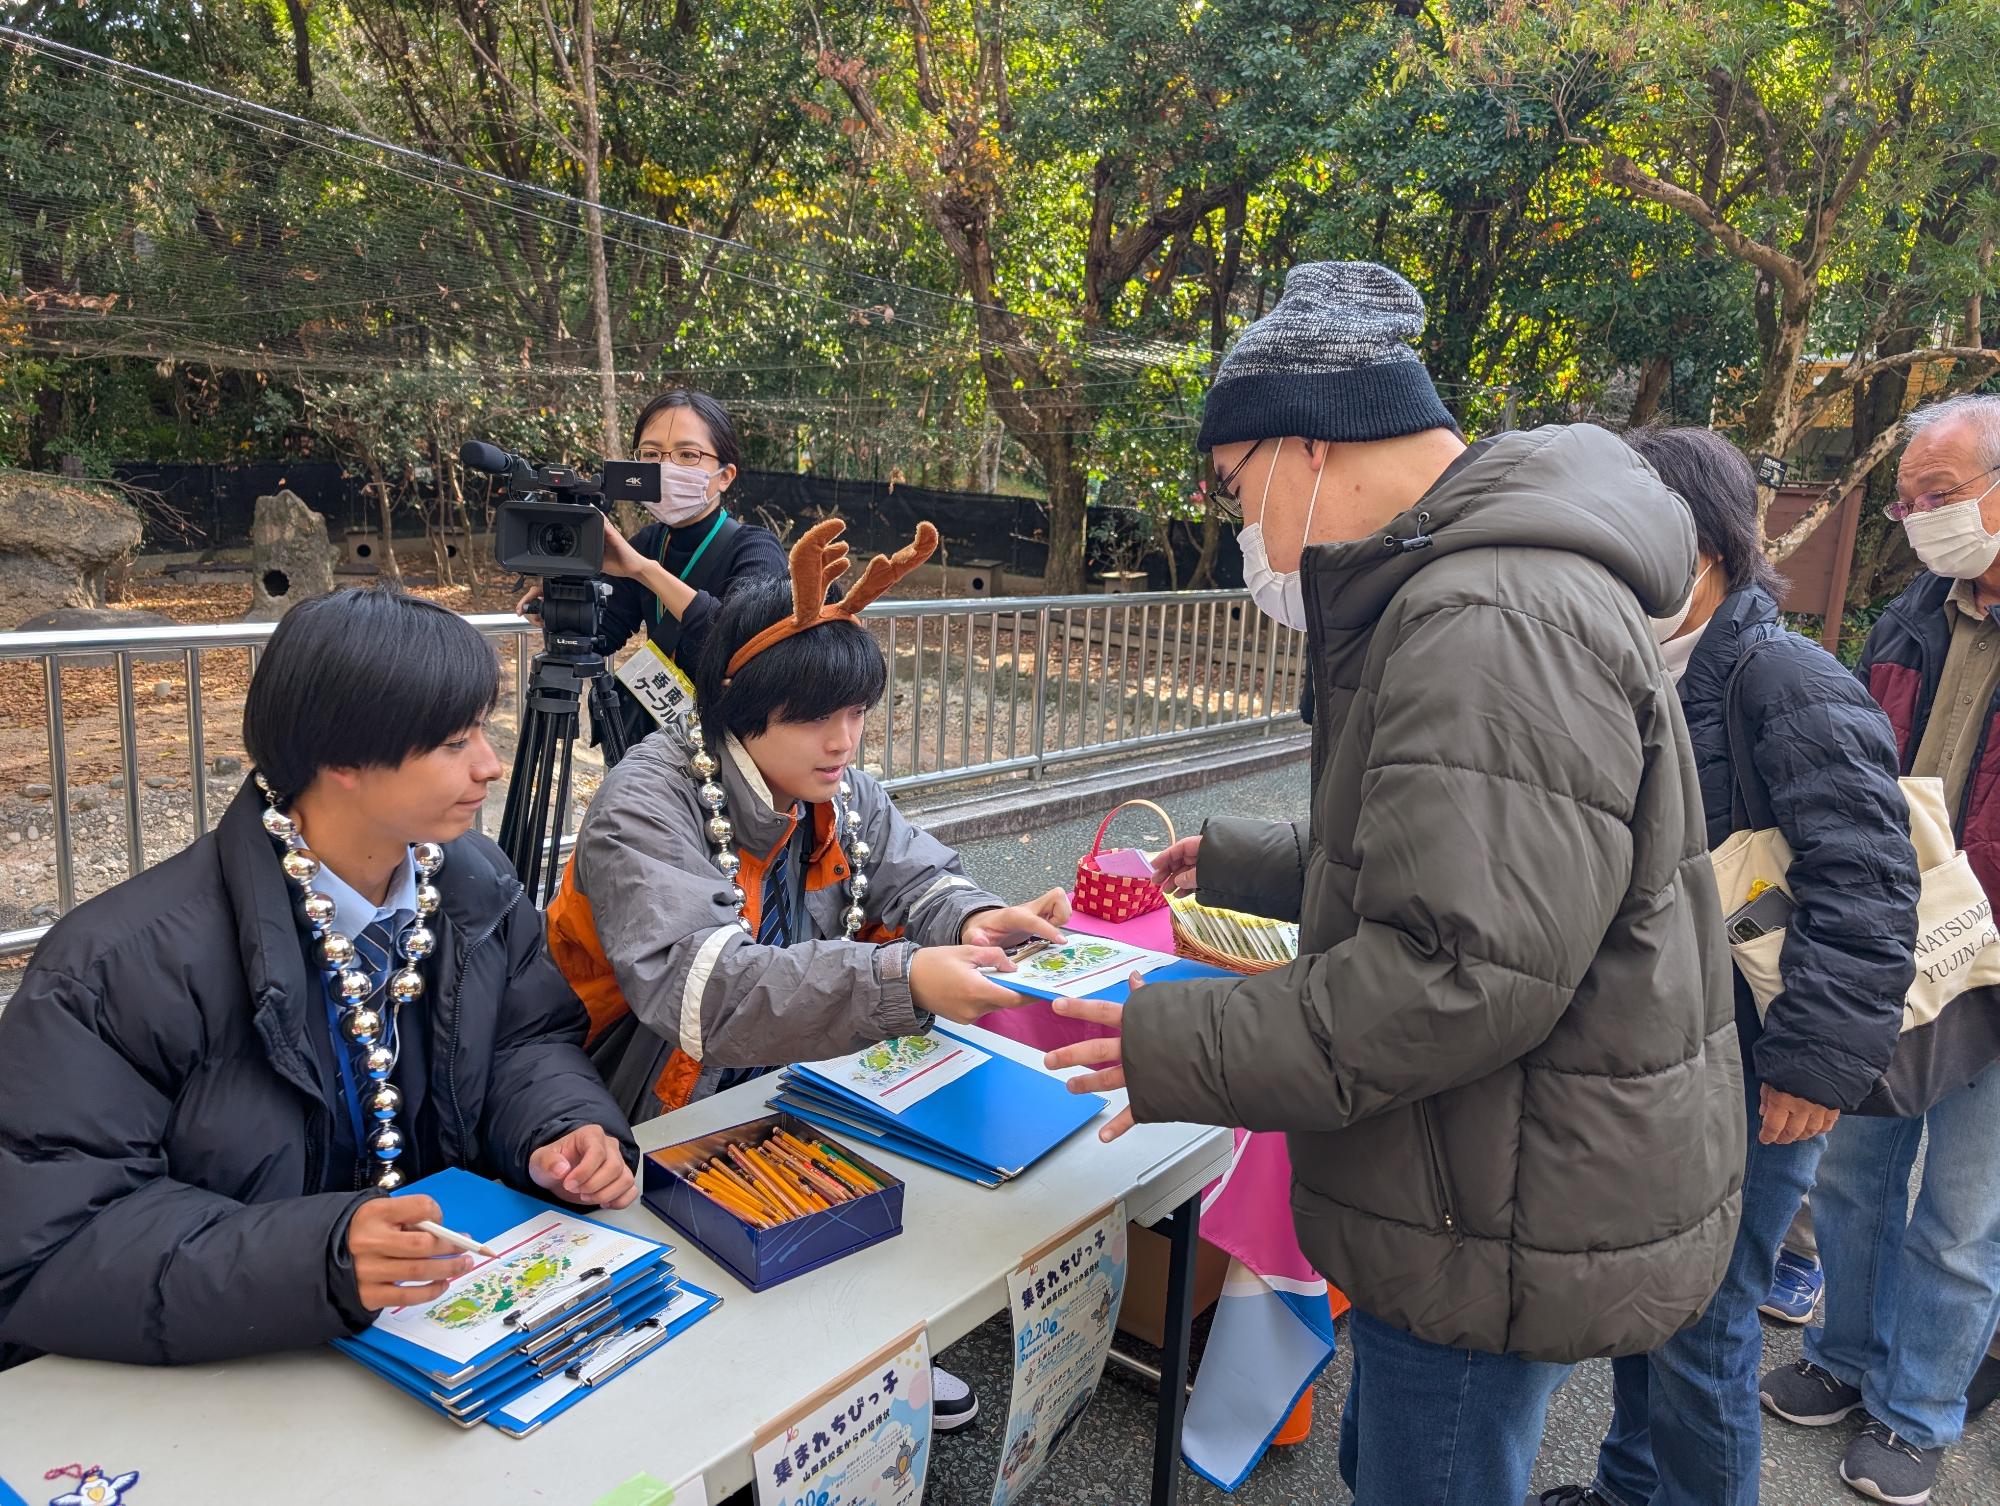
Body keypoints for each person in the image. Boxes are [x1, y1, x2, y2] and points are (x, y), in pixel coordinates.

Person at [1046, 261, 1744, 1506]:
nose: (1243, 526)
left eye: (1230, 484)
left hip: (1496, 1194)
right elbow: (1487, 874)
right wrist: (1264, 863)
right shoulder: (1494, 583)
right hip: (1485, 1168)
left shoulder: (1488, 614)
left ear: (1304, 447)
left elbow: (1460, 972)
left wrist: (1177, 1038)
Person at [0, 588, 637, 1369]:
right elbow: (57, 1238)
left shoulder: (473, 881)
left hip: (440, 1330)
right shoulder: (117, 967)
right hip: (230, 1379)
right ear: (340, 760)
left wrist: (559, 1128)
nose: (489, 763)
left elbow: (526, 1039)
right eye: (452, 741)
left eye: (483, 728)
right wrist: (319, 1258)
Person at [546, 518, 1068, 1433]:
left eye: (858, 714)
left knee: (887, 1194)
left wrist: (979, 917)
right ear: (741, 708)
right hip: (638, 1090)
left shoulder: (839, 789)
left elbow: (918, 871)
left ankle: (867, 1366)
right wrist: (904, 978)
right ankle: (728, 1410)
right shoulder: (647, 798)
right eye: (815, 719)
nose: (845, 741)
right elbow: (707, 995)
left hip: (787, 1067)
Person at [1530, 427, 1918, 1506]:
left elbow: (1869, 884)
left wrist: (1809, 1066)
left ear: (1700, 547)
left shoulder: (1779, 676)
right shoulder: (1639, 667)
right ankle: (1626, 1490)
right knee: (1645, 1298)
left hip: (1753, 1067)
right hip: (1663, 1053)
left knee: (1700, 1328)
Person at [1760, 392, 2000, 1506]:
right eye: (1907, 502)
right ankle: (1843, 1357)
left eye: (1938, 498)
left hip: (1992, 968)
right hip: (1891, 946)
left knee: (1961, 1212)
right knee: (1853, 1174)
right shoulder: (1911, 611)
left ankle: (1916, 1412)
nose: (1917, 519)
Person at [516, 389, 787, 747]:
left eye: (688, 455)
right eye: (652, 454)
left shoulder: (755, 547)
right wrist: (566, 597)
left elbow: (743, 636)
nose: (666, 467)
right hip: (657, 742)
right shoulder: (649, 543)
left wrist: (645, 571)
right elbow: (604, 635)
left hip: (732, 740)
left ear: (725, 475)